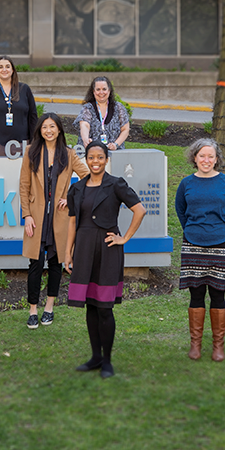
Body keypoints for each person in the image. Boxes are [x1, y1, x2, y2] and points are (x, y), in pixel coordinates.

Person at [63, 142, 146, 379]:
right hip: (84, 249)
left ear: (106, 159)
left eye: (100, 157)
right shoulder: (77, 188)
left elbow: (139, 210)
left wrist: (124, 238)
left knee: (104, 308)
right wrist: (68, 252)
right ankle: (95, 357)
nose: (95, 161)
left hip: (108, 249)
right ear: (86, 159)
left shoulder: (115, 184)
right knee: (90, 305)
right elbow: (71, 222)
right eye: (91, 157)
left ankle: (107, 360)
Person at [18, 113, 88, 329]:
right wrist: (27, 215)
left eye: (52, 127)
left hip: (59, 218)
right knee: (35, 264)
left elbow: (87, 177)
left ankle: (49, 307)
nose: (48, 130)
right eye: (44, 127)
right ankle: (32, 310)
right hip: (36, 218)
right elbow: (23, 185)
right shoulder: (32, 152)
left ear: (59, 130)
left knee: (56, 264)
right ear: (40, 130)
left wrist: (70, 197)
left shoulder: (68, 154)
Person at [175, 138, 225, 362]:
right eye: (202, 156)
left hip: (221, 244)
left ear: (217, 159)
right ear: (195, 158)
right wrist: (194, 230)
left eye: (210, 156)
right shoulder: (186, 183)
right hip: (193, 245)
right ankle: (195, 344)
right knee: (196, 294)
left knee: (217, 295)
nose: (206, 160)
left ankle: (218, 346)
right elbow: (181, 211)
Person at [73, 76, 130, 151]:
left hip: (114, 152)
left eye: (104, 89)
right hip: (91, 154)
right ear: (93, 92)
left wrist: (116, 144)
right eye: (98, 89)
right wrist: (86, 140)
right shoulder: (87, 108)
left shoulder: (119, 107)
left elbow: (125, 129)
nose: (101, 92)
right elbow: (84, 125)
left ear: (109, 91)